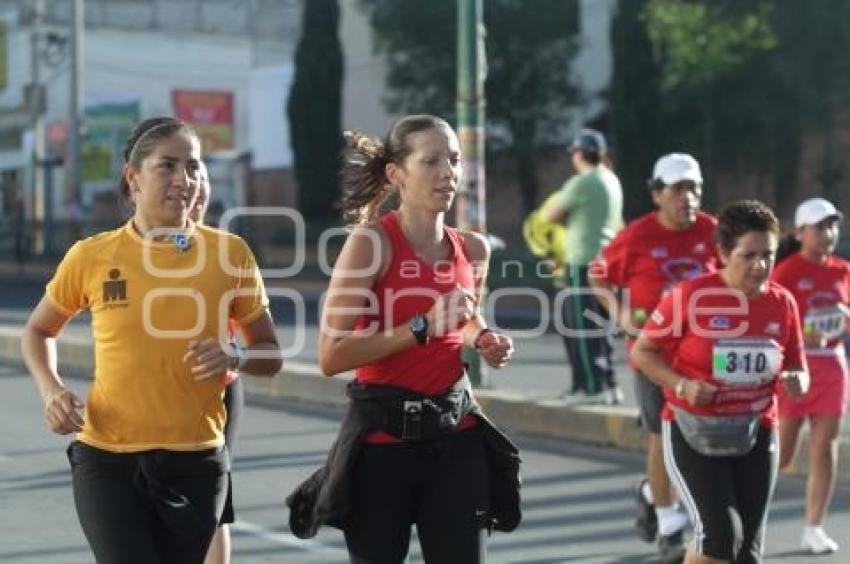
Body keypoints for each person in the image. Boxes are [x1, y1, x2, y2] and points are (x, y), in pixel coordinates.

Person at [21, 117, 282, 564]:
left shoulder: (230, 253)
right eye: (168, 166)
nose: (185, 179)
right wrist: (51, 390)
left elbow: (270, 354)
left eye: (194, 166)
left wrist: (234, 354)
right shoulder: (92, 256)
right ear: (133, 178)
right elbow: (38, 330)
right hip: (107, 459)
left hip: (195, 461)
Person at [286, 114, 520, 563]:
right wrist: (420, 328)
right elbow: (331, 355)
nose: (448, 172)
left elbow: (465, 316)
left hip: (457, 434)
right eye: (431, 161)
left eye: (453, 160)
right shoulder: (371, 245)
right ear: (397, 174)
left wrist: (484, 337)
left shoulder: (473, 248)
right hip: (382, 445)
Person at [631, 200, 809, 564]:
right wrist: (681, 384)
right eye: (749, 255)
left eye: (768, 255)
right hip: (693, 428)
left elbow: (798, 366)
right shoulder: (691, 296)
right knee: (720, 537)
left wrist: (797, 381)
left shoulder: (782, 303)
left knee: (748, 553)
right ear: (724, 253)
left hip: (756, 430)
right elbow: (643, 352)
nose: (760, 266)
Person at [589, 153, 719, 562]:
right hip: (653, 354)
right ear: (657, 193)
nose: (687, 197)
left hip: (704, 355)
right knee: (663, 436)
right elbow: (598, 275)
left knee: (696, 440)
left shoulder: (713, 231)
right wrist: (619, 312)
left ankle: (652, 493)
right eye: (678, 189)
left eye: (694, 187)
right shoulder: (637, 235)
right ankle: (668, 524)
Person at [771, 197, 848, 555]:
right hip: (795, 367)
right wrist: (800, 332)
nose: (828, 234)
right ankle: (747, 512)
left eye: (832, 226)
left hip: (831, 365)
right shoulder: (785, 271)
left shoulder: (843, 271)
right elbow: (771, 316)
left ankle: (813, 527)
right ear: (801, 232)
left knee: (825, 449)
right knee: (783, 452)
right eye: (820, 227)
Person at [542, 128, 624, 403]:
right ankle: (610, 385)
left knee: (581, 327)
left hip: (583, 263)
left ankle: (591, 388)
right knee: (602, 327)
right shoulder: (611, 180)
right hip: (608, 262)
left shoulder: (582, 182)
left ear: (578, 154)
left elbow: (550, 215)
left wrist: (567, 219)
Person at [195, 163, 244, 564]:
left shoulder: (226, 251)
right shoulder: (127, 251)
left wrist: (234, 354)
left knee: (214, 507)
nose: (194, 188)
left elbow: (263, 342)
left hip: (219, 387)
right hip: (148, 395)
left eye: (201, 178)